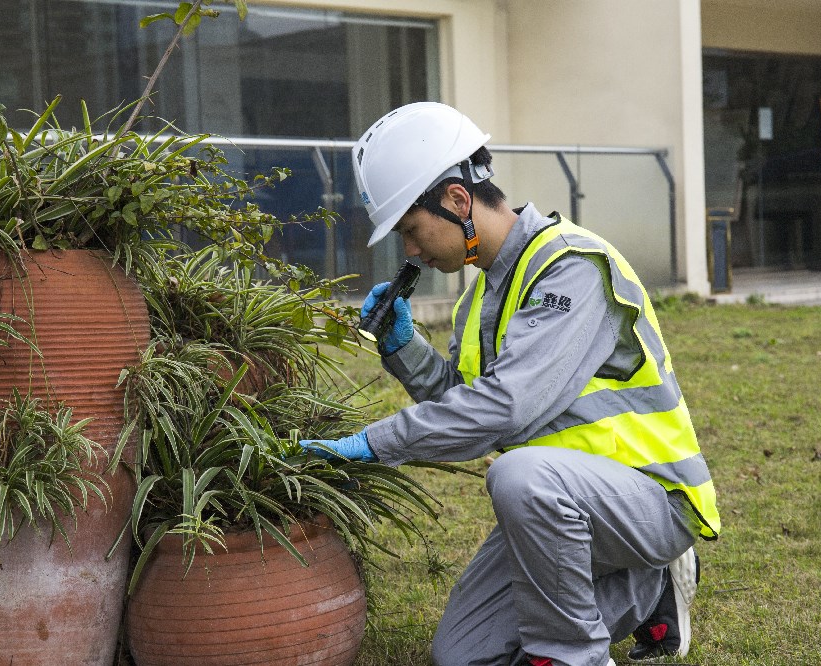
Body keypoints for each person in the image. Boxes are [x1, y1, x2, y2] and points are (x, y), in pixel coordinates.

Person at [300, 102, 720, 666]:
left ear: (457, 201)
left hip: (650, 501)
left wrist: (376, 443)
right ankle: (649, 589)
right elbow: (466, 408)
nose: (411, 251)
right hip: (563, 506)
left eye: (411, 230)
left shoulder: (572, 267)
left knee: (518, 474)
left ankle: (572, 655)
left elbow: (506, 408)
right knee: (462, 654)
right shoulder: (482, 295)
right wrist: (405, 349)